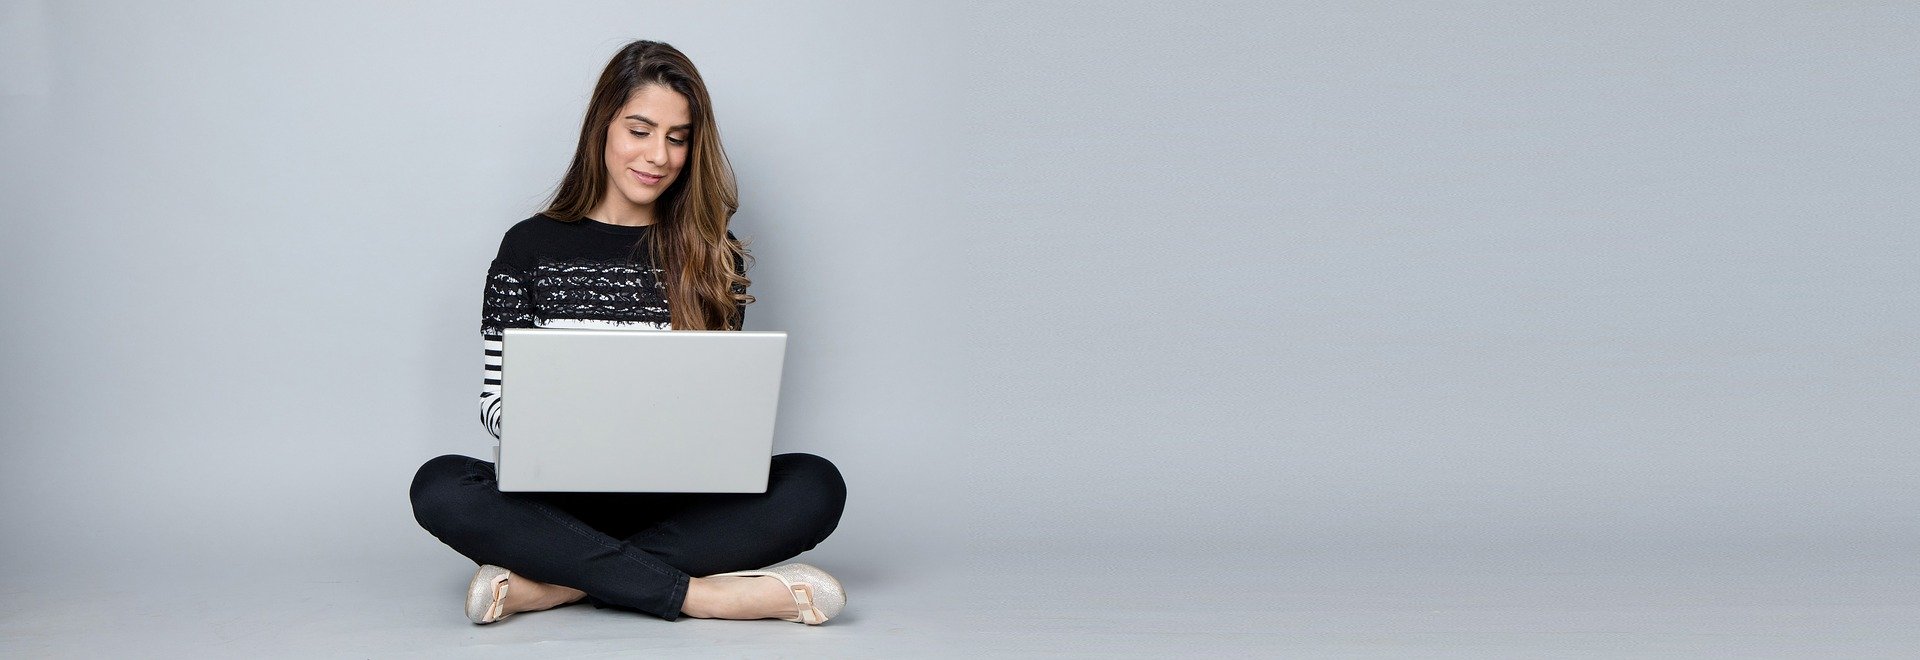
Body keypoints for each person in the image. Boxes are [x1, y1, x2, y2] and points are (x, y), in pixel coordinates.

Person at [409, 40, 848, 626]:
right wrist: (562, 420)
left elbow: (723, 413)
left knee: (817, 484)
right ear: (602, 128)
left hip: (680, 504)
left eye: (677, 137)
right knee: (439, 485)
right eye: (640, 130)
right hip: (554, 501)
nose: (658, 156)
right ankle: (700, 595)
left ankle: (557, 582)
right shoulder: (528, 246)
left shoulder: (714, 256)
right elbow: (494, 402)